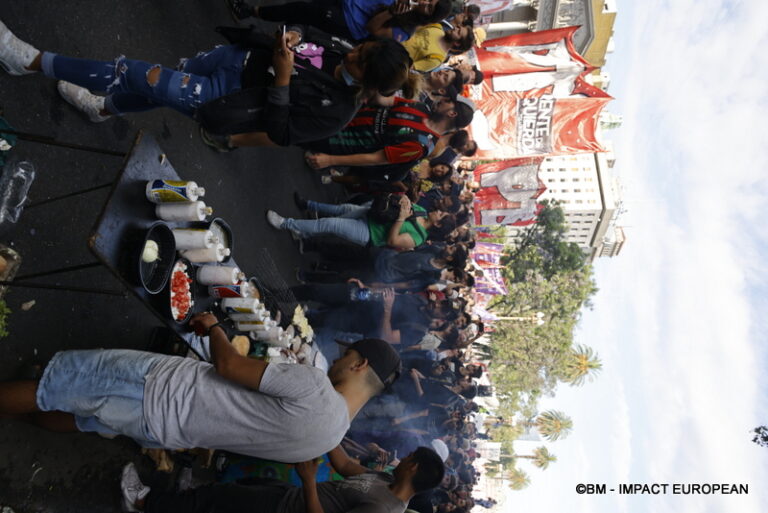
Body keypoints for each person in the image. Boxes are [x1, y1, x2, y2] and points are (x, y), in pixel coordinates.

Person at [0, 313, 401, 463]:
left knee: (52, 386)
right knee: (80, 419)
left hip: (156, 387)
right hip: (164, 431)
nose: (335, 361)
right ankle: (19, 416)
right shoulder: (330, 440)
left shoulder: (317, 389)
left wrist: (213, 327)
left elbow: (227, 364)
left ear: (359, 363)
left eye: (344, 356)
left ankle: (18, 399)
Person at [0, 19, 411, 148]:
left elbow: (282, 132)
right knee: (151, 88)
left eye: (359, 63)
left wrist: (283, 79)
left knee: (132, 72)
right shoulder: (346, 47)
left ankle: (31, 61)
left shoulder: (338, 111)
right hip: (232, 59)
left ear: (368, 82)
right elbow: (306, 35)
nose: (352, 55)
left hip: (223, 97)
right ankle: (102, 108)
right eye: (361, 49)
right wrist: (291, 38)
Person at [121, 445, 445, 513]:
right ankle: (168, 503)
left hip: (284, 508)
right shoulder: (383, 478)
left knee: (212, 500)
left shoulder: (384, 509)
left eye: (409, 458)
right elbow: (345, 465)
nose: (401, 459)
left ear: (414, 469)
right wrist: (327, 428)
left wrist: (307, 480)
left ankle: (142, 500)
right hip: (286, 495)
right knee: (225, 493)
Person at [267, 195, 456, 250]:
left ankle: (285, 223)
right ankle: (302, 231)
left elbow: (392, 242)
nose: (438, 210)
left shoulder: (418, 238)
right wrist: (405, 200)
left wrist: (401, 218)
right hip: (370, 213)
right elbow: (404, 203)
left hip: (368, 233)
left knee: (329, 224)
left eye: (441, 215)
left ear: (438, 225)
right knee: (332, 219)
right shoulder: (422, 210)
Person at [228, 0, 452, 43]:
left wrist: (392, 12)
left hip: (345, 21)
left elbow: (372, 29)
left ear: (429, 15)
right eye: (429, 0)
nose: (425, 2)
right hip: (343, 4)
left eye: (430, 7)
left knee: (299, 11)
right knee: (298, 10)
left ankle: (249, 12)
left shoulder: (407, 29)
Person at [402, 23, 474, 73]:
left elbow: (409, 68)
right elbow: (413, 29)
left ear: (457, 43)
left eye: (458, 32)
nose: (455, 28)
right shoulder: (437, 27)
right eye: (458, 27)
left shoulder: (437, 59)